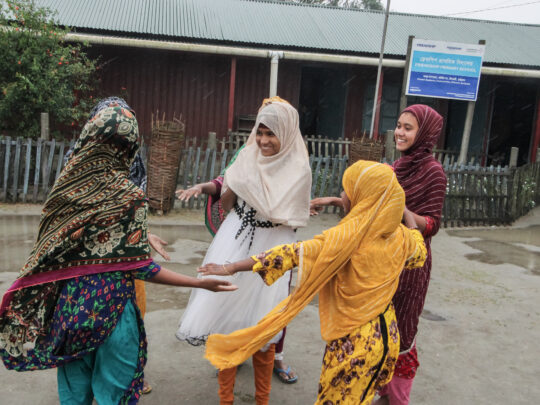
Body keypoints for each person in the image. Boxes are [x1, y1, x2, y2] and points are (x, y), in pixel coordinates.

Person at [0, 104, 236, 405]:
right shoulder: (129, 194)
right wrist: (199, 283)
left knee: (73, 397)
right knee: (114, 397)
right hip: (113, 315)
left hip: (69, 312)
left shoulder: (64, 191)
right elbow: (142, 268)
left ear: (88, 137)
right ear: (131, 146)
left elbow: (47, 254)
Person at [198, 160, 427, 405]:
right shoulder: (400, 237)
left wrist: (231, 266)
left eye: (347, 190)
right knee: (364, 396)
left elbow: (289, 254)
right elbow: (420, 253)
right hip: (387, 339)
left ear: (363, 199)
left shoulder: (344, 239)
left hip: (354, 345)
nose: (342, 194)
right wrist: (404, 214)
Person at [176, 99, 312, 404]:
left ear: (287, 133)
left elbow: (291, 218)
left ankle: (262, 399)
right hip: (234, 241)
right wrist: (236, 192)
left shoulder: (299, 171)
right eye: (259, 132)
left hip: (272, 252)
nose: (263, 140)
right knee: (226, 324)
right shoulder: (246, 158)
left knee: (265, 331)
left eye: (271, 134)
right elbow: (228, 201)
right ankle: (226, 399)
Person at [64, 96, 170, 395]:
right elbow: (65, 228)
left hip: (124, 265)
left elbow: (130, 216)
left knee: (128, 322)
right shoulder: (75, 165)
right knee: (84, 330)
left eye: (123, 136)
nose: (116, 143)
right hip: (83, 273)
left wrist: (142, 234)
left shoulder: (133, 161)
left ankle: (128, 370)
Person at [374, 105, 447, 405]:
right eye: (399, 125)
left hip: (412, 264)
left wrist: (403, 212)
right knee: (378, 327)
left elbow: (433, 224)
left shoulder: (434, 172)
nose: (400, 132)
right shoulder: (395, 167)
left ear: (425, 134)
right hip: (383, 259)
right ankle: (382, 393)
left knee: (402, 331)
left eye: (408, 128)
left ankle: (398, 399)